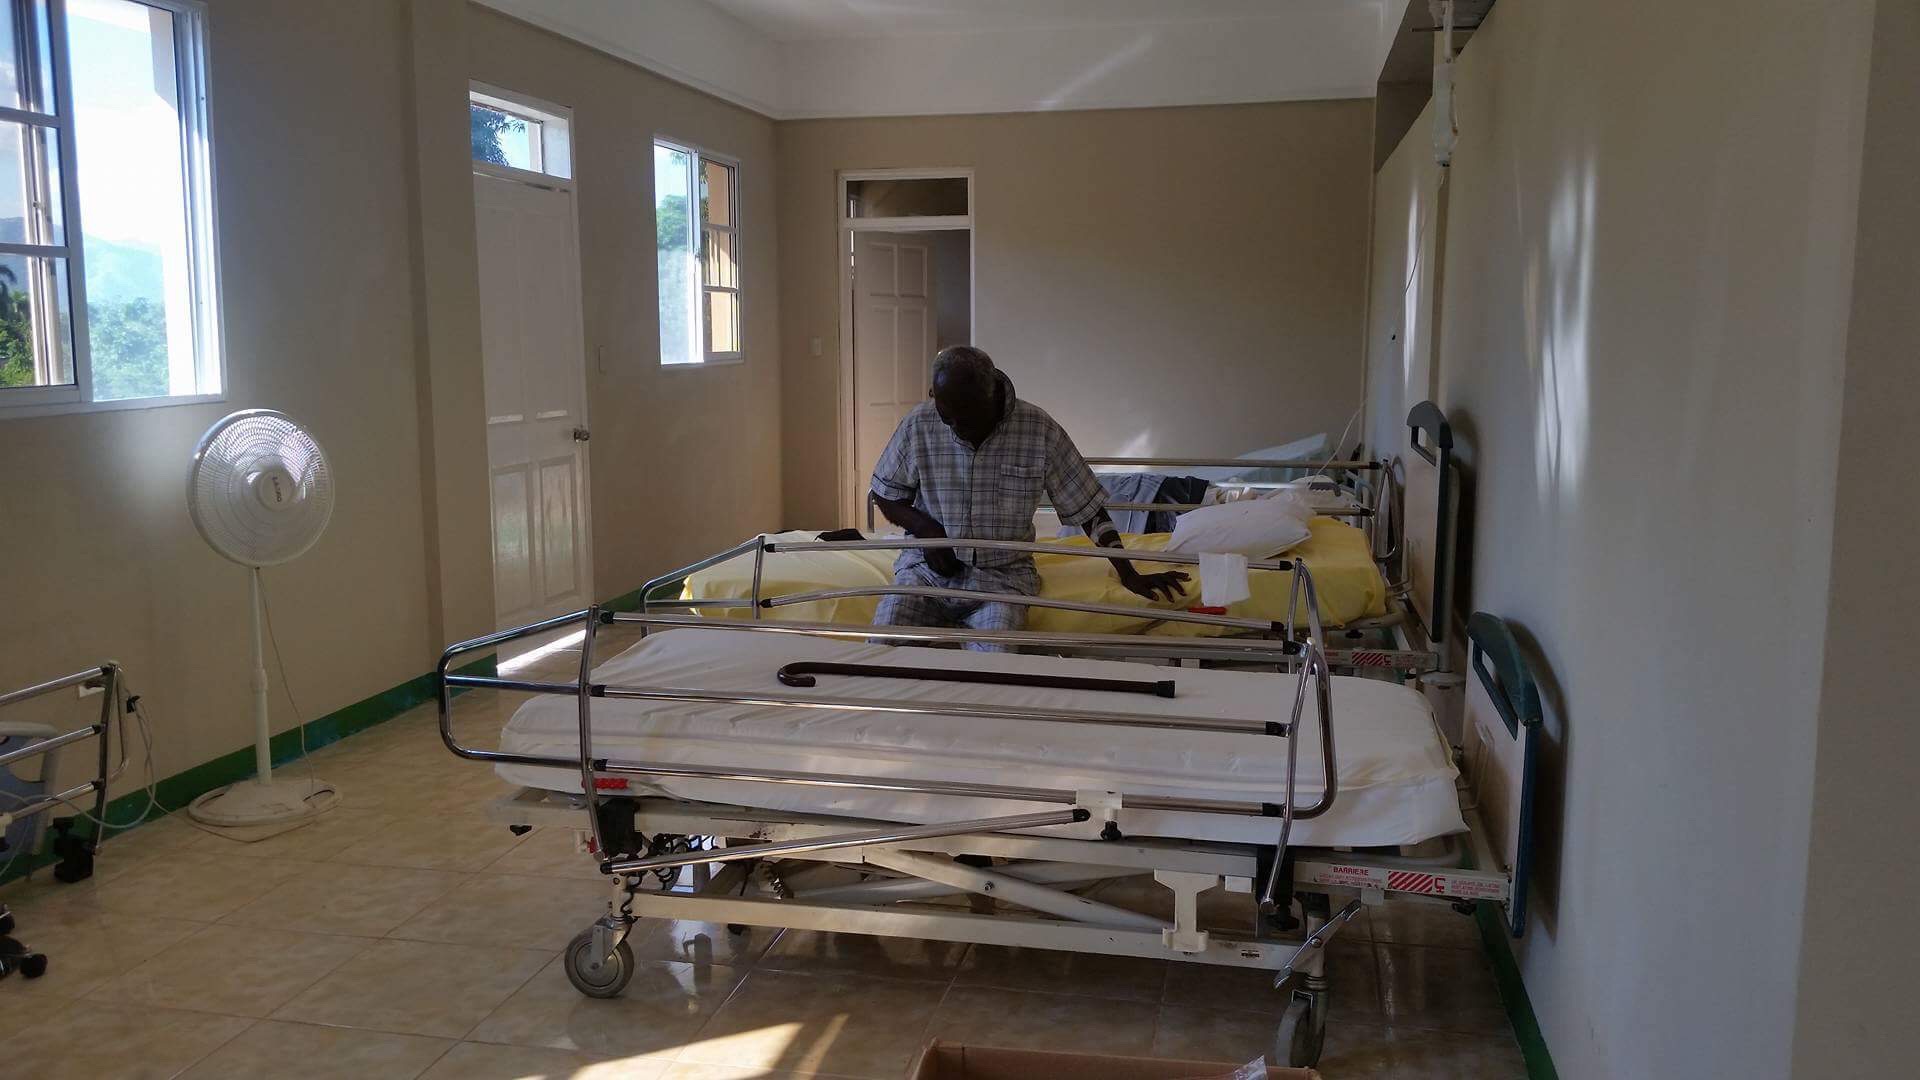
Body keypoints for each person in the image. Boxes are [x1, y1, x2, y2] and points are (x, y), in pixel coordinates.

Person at [868, 345, 1188, 651]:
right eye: (946, 416)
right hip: (925, 574)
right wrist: (926, 529)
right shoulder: (920, 422)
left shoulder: (1038, 430)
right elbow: (885, 494)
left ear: (990, 395)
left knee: (995, 664)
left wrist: (1129, 573)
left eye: (964, 418)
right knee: (881, 646)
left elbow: (1088, 509)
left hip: (1000, 583)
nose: (955, 428)